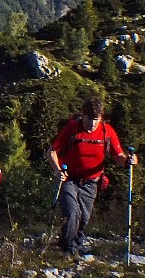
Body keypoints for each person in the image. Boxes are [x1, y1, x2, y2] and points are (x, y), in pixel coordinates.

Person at [48, 95, 137, 260]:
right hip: (70, 179)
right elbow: (52, 151)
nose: (92, 123)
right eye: (90, 119)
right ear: (83, 115)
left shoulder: (106, 131)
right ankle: (67, 249)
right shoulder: (73, 128)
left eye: (97, 119)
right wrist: (57, 170)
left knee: (84, 218)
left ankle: (73, 243)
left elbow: (118, 156)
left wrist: (128, 161)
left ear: (101, 117)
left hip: (91, 182)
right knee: (72, 212)